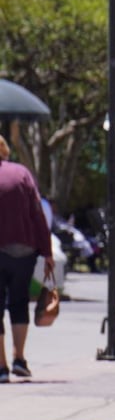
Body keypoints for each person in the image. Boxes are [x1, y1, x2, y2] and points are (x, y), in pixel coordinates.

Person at [0, 134, 54, 383]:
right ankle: (19, 359)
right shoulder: (22, 173)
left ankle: (1, 367)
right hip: (24, 249)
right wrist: (47, 252)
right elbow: (37, 214)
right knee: (19, 301)